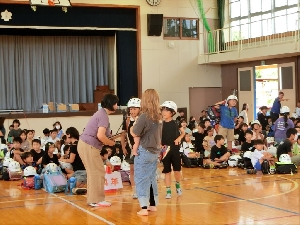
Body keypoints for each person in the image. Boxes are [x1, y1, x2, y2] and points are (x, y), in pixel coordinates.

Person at [78, 93, 118, 207]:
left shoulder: (100, 114)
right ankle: (97, 200)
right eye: (116, 103)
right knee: (98, 172)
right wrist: (111, 143)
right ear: (112, 104)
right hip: (89, 145)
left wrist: (109, 139)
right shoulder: (103, 115)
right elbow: (101, 136)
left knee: (93, 172)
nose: (117, 106)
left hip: (85, 144)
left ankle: (92, 199)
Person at [131, 89, 162, 216]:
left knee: (140, 178)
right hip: (155, 152)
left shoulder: (144, 116)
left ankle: (144, 206)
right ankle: (153, 204)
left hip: (144, 150)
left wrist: (134, 125)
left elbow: (135, 132)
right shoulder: (159, 117)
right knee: (151, 178)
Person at [160, 101, 185, 199]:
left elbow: (183, 133)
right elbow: (157, 136)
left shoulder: (176, 123)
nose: (164, 112)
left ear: (172, 112)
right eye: (163, 110)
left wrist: (179, 138)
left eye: (166, 110)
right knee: (167, 171)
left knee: (177, 170)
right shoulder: (160, 124)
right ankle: (168, 190)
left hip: (175, 148)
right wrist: (159, 144)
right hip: (165, 149)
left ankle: (178, 185)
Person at [120, 97, 141, 199]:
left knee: (141, 170)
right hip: (131, 149)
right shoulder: (127, 120)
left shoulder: (143, 120)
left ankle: (144, 189)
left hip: (142, 149)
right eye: (131, 109)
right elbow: (123, 135)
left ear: (140, 109)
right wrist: (123, 147)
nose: (132, 111)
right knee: (132, 169)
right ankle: (135, 191)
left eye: (135, 109)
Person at [60, 127, 87, 193]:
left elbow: (71, 160)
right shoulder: (80, 144)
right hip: (80, 170)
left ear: (69, 135)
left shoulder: (74, 146)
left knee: (73, 187)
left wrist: (62, 160)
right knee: (69, 187)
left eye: (66, 135)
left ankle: (87, 186)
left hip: (81, 170)